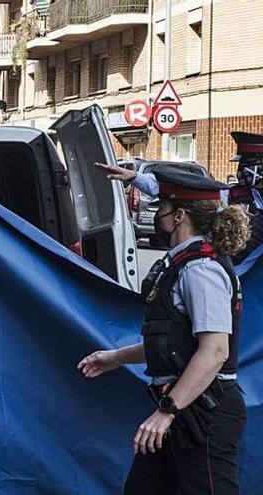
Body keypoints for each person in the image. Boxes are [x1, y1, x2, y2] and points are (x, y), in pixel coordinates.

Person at [77, 166, 250, 494]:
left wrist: (167, 411)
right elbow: (175, 341)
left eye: (162, 209)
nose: (157, 215)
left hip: (202, 412)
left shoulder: (201, 270)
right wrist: (115, 357)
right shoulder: (185, 263)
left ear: (179, 216)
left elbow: (214, 351)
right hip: (184, 406)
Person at [98, 132, 263, 263]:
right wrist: (135, 177)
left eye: (248, 164)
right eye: (241, 165)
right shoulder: (233, 195)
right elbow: (183, 191)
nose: (241, 170)